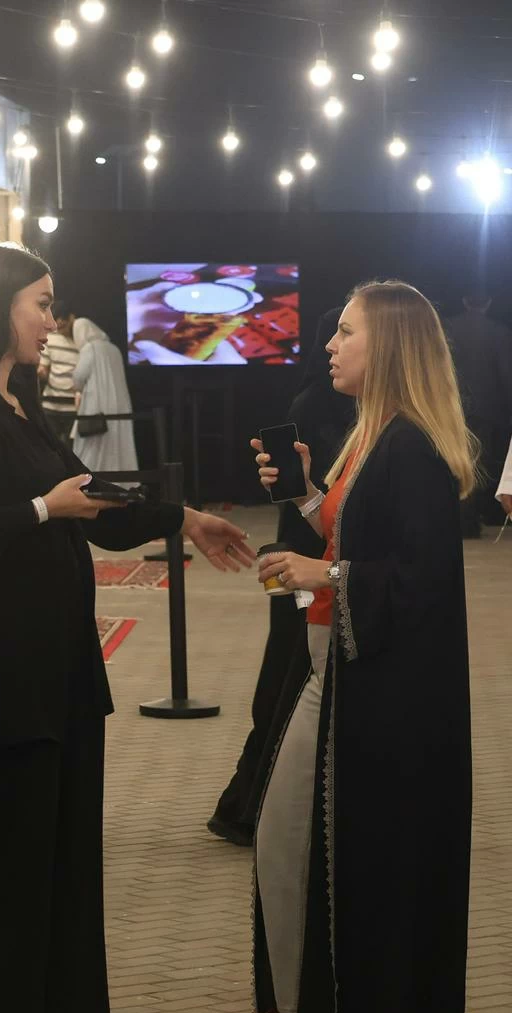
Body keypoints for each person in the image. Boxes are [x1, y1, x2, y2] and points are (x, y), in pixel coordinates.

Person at [0, 243, 254, 1013]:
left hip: (58, 661)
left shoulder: (19, 401)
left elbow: (93, 500)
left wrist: (183, 517)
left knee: (63, 842)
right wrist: (37, 509)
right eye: (40, 303)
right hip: (4, 671)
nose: (51, 320)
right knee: (8, 850)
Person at [221, 280, 475, 1013]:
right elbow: (358, 533)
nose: (330, 345)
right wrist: (303, 497)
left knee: (305, 840)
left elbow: (420, 579)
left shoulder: (410, 448)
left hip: (365, 680)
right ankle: (301, 1011)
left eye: (346, 333)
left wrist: (322, 573)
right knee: (291, 838)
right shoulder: (376, 435)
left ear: (388, 345)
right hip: (336, 666)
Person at [208, 308, 355, 847]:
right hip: (303, 567)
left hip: (314, 562)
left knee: (288, 680)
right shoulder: (322, 403)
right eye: (336, 332)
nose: (334, 346)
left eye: (348, 334)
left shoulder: (346, 408)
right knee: (287, 680)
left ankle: (253, 807)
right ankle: (255, 808)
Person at [444, 291, 512, 536]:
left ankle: (458, 518)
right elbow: (506, 373)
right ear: (489, 302)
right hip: (487, 408)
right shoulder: (499, 332)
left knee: (454, 461)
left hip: (453, 406)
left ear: (464, 301)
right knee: (480, 462)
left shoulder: (449, 327)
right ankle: (471, 519)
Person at [69, 318, 139, 475]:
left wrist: (76, 386)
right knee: (117, 445)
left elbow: (79, 378)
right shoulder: (114, 349)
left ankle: (93, 480)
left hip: (97, 406)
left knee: (92, 447)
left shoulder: (90, 349)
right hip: (119, 406)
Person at [37, 300, 78, 441]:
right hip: (50, 403)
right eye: (56, 318)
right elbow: (44, 368)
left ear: (72, 318)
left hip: (73, 407)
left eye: (63, 318)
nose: (59, 322)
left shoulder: (81, 340)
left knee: (71, 450)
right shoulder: (50, 338)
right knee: (49, 446)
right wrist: (41, 372)